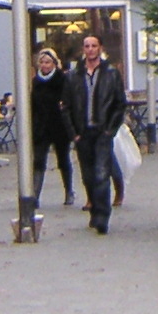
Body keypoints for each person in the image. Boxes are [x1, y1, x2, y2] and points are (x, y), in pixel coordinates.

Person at [62, 35, 126, 235]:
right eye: (87, 46)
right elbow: (65, 106)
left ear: (100, 48)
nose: (90, 49)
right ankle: (94, 210)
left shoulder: (111, 74)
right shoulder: (73, 76)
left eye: (94, 46)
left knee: (101, 174)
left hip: (102, 131)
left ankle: (102, 217)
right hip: (83, 133)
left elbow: (119, 103)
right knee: (88, 176)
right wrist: (74, 134)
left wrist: (110, 129)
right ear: (83, 50)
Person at [30, 48, 74, 208]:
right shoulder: (36, 81)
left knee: (63, 159)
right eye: (41, 62)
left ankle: (69, 191)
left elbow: (68, 101)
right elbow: (32, 104)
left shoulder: (62, 79)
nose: (44, 65)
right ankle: (35, 195)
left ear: (54, 63)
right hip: (41, 127)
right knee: (39, 160)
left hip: (59, 127)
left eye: (47, 62)